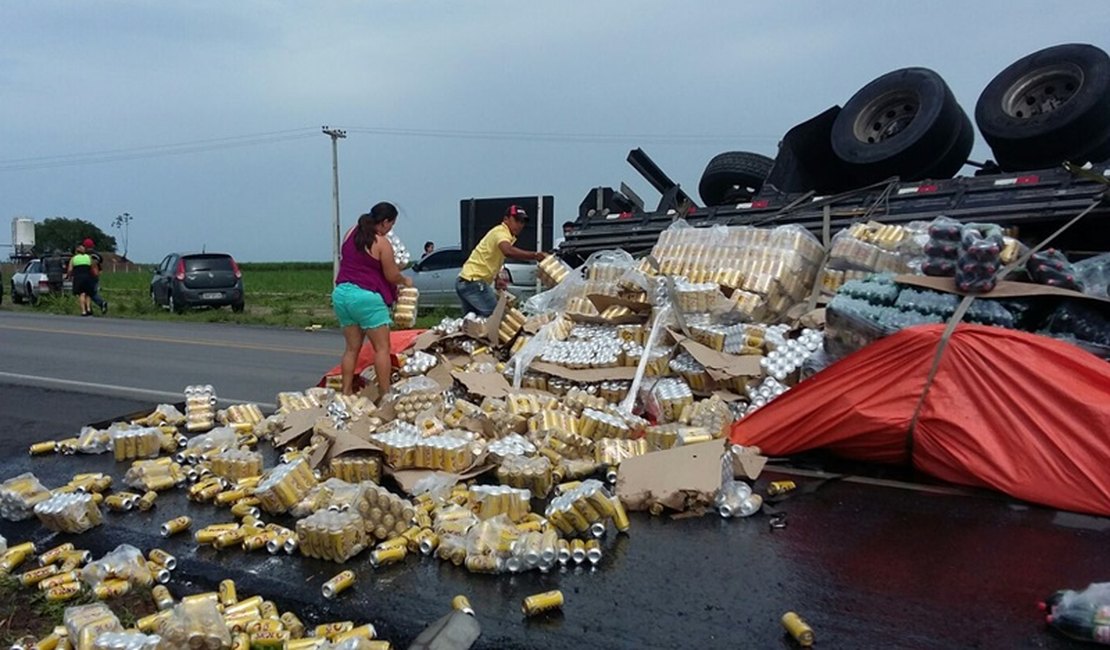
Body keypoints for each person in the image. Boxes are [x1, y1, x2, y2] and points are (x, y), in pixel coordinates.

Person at [331, 201, 413, 396]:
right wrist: (405, 280)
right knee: (382, 349)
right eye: (391, 225)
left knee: (351, 349)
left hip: (341, 295)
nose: (390, 229)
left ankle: (346, 392)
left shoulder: (351, 232)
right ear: (384, 222)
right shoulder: (381, 243)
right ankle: (385, 394)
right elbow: (391, 275)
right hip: (366, 298)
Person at [456, 204, 545, 317]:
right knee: (496, 317)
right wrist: (535, 255)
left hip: (464, 281)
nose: (519, 225)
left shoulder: (502, 234)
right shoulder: (501, 232)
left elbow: (492, 257)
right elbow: (507, 251)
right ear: (506, 219)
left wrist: (497, 279)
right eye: (516, 220)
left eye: (522, 222)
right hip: (474, 282)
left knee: (474, 322)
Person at [66, 244, 96, 316]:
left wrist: (68, 276)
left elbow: (70, 270)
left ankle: (83, 311)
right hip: (88, 277)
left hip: (78, 278)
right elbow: (92, 268)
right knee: (88, 294)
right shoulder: (88, 257)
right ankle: (88, 308)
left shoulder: (73, 259)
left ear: (76, 251)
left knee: (81, 294)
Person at [82, 238, 108, 314]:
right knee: (92, 292)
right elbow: (100, 262)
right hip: (96, 275)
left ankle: (97, 304)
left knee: (87, 293)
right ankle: (90, 308)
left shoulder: (84, 255)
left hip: (86, 275)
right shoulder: (97, 255)